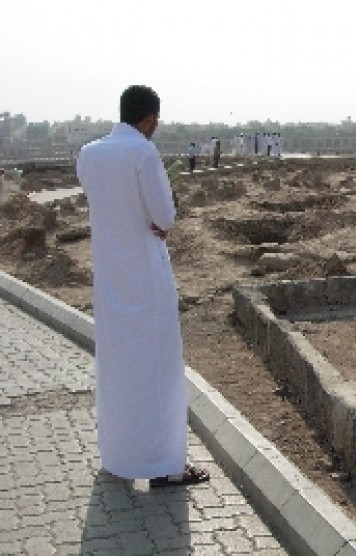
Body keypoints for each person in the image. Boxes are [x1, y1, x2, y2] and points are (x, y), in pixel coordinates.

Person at [75, 85, 209, 487]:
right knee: (158, 371)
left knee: (118, 369)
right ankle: (164, 466)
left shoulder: (89, 154)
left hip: (110, 279)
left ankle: (120, 458)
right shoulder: (143, 153)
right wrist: (161, 218)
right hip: (147, 279)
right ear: (149, 119)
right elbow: (164, 216)